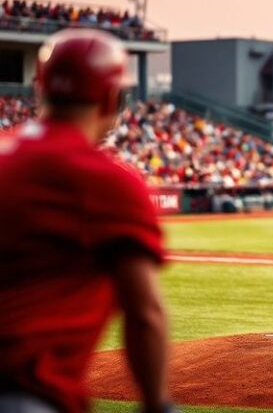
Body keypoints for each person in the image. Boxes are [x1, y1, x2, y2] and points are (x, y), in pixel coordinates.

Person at [0, 29, 173, 413]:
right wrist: (157, 404)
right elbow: (144, 313)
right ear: (114, 97)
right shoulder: (105, 178)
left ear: (38, 89)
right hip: (25, 394)